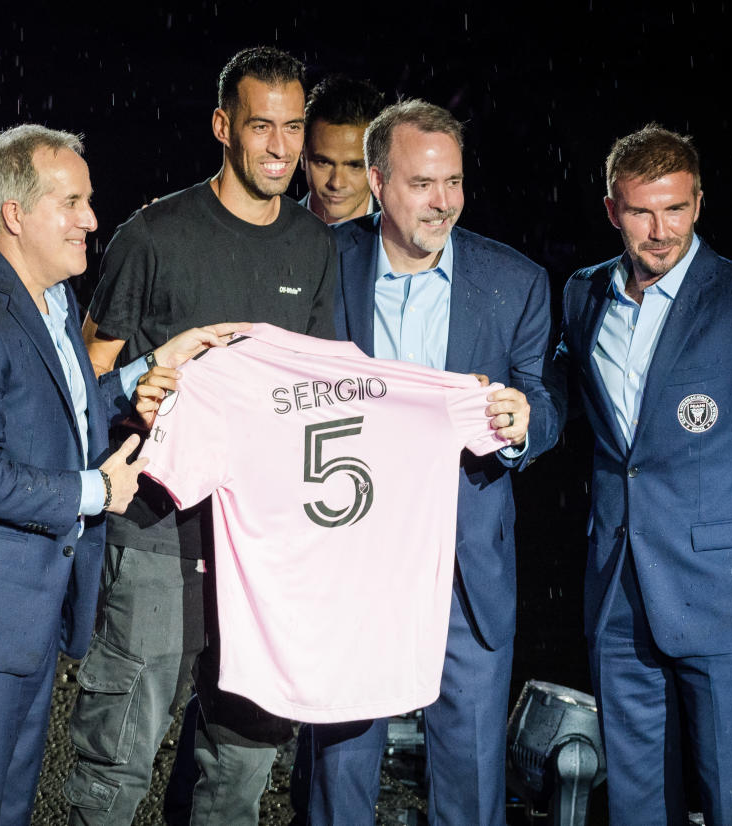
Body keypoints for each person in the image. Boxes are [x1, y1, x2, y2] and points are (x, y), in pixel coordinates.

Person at [0, 124, 240, 826]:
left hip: (23, 618)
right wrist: (97, 491)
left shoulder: (49, 300)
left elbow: (68, 410)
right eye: (71, 202)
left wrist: (151, 365)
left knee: (5, 811)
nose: (91, 220)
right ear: (15, 214)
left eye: (89, 201)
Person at [63, 46, 338, 826]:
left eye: (293, 127)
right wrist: (134, 394)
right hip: (154, 533)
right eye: (261, 127)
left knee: (238, 773)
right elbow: (85, 372)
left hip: (261, 549)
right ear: (223, 126)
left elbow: (316, 389)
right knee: (116, 764)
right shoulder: (153, 235)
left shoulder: (313, 248)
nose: (281, 148)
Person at [556, 124, 732, 825]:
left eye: (675, 209)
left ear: (699, 203)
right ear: (610, 209)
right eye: (641, 211)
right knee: (635, 806)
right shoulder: (583, 295)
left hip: (729, 605)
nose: (659, 230)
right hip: (618, 593)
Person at [293, 100, 562, 826]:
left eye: (453, 183)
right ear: (377, 182)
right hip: (350, 558)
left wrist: (521, 424)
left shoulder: (515, 283)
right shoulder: (321, 260)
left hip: (463, 567)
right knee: (339, 769)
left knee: (471, 780)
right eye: (421, 184)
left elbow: (542, 396)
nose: (441, 202)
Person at [299, 74, 385, 224]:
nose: (337, 183)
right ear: (302, 156)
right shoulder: (268, 234)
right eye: (323, 162)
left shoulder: (407, 236)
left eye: (354, 166)